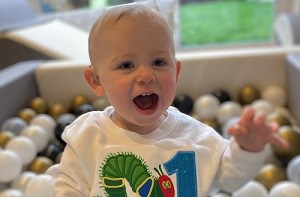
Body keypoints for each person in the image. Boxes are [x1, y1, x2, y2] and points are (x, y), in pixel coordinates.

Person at [47, 3, 288, 197]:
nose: (146, 75)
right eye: (126, 65)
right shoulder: (88, 136)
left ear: (176, 72)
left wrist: (247, 149)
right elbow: (67, 186)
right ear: (96, 80)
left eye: (159, 62)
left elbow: (228, 177)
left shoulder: (196, 137)